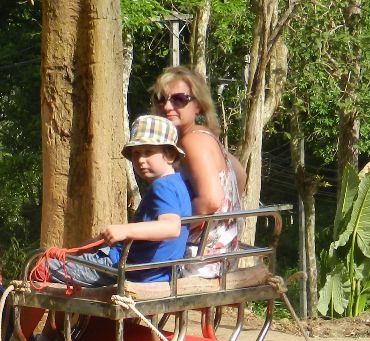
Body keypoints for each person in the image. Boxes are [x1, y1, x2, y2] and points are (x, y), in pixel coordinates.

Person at [47, 115, 192, 288]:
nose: (140, 160)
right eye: (136, 153)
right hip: (153, 272)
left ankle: (13, 316)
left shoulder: (162, 187)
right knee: (73, 255)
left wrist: (124, 230)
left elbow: (171, 227)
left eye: (148, 152)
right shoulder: (179, 184)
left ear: (169, 155)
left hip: (124, 269)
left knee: (42, 266)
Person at [151, 66, 245, 278]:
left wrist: (173, 226)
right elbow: (240, 175)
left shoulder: (192, 141)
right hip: (222, 254)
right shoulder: (206, 137)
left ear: (198, 106)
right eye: (161, 98)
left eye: (179, 99)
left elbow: (211, 200)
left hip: (199, 258)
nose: (167, 106)